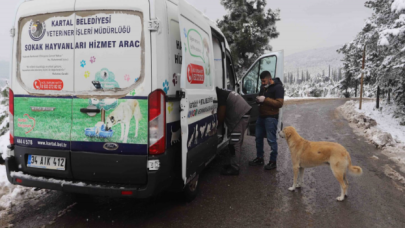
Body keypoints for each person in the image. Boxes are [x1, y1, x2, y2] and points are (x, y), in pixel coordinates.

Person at [249, 71, 284, 170]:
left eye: (264, 81)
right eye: (262, 81)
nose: (263, 83)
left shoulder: (278, 87)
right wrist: (258, 100)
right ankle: (260, 158)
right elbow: (262, 99)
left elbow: (279, 104)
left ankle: (273, 162)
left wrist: (265, 99)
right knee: (258, 138)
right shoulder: (263, 87)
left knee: (271, 140)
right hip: (261, 116)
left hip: (271, 117)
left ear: (269, 79)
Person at [216, 87, 251, 175]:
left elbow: (221, 115)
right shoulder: (224, 92)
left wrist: (215, 128)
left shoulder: (221, 95)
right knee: (233, 142)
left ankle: (235, 168)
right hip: (242, 114)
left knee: (235, 143)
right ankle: (233, 163)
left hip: (241, 116)